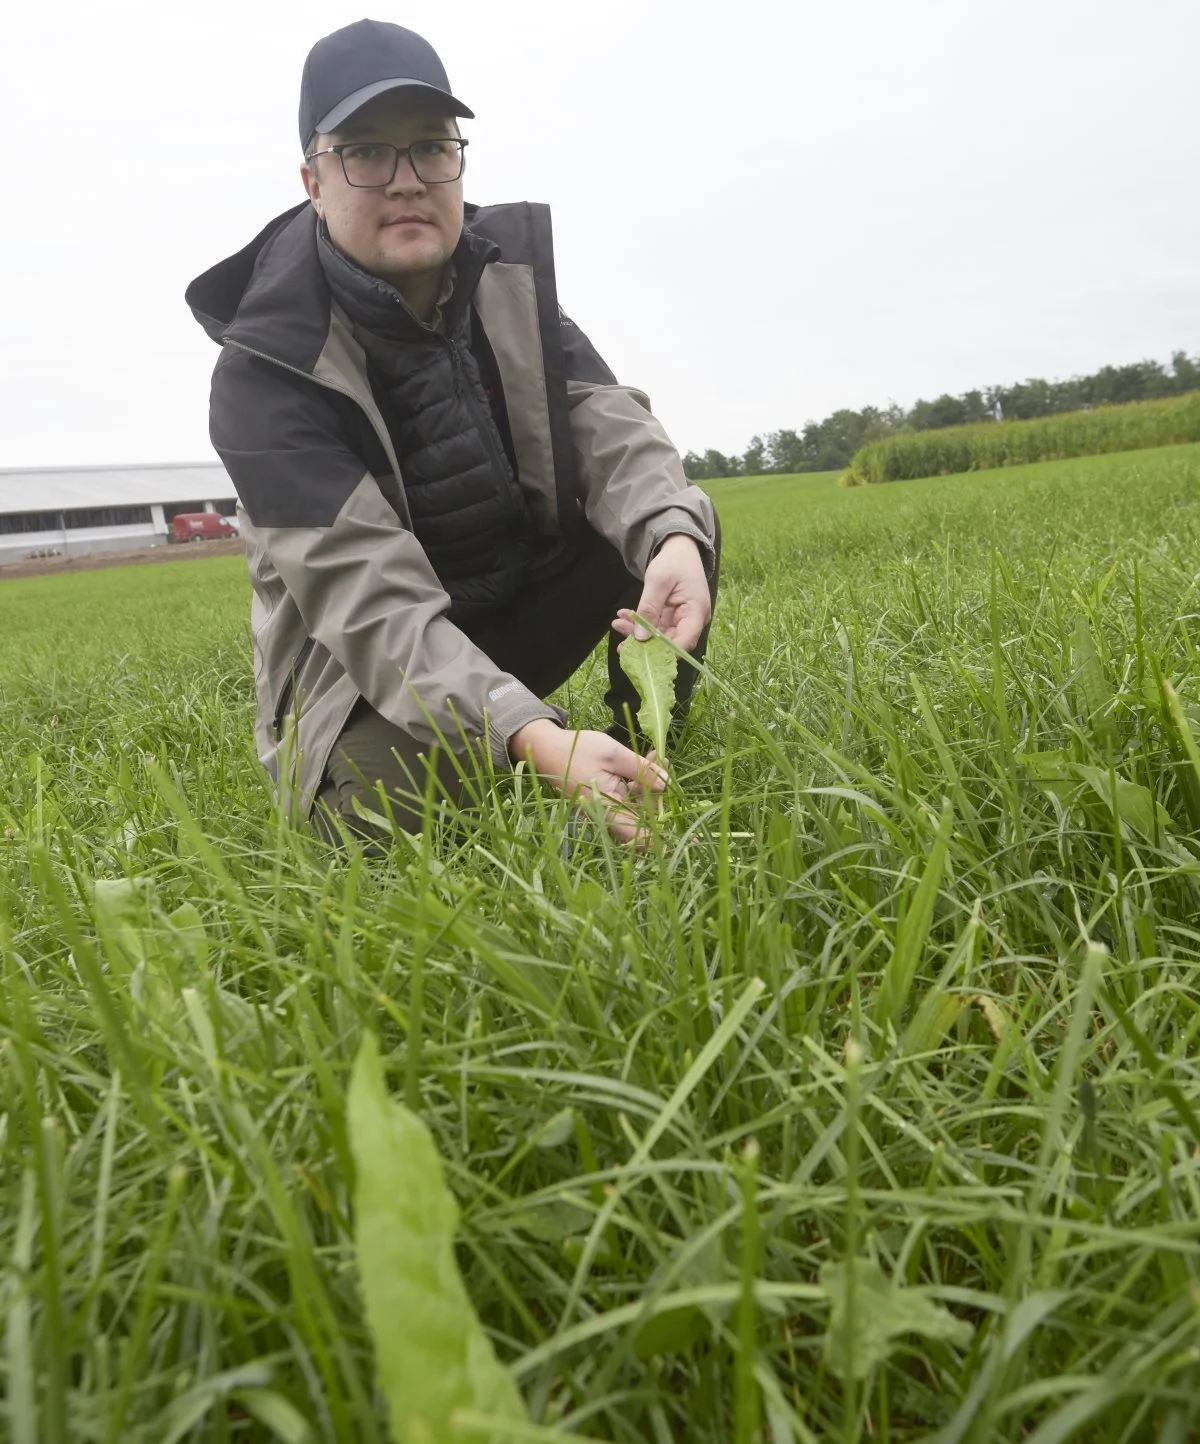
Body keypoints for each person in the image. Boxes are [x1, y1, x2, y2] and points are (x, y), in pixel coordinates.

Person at [186, 19, 720, 845]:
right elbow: (371, 607)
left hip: (501, 610)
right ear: (312, 180)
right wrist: (531, 733)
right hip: (368, 676)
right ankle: (540, 745)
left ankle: (643, 759)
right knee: (380, 823)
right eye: (365, 152)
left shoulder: (505, 281)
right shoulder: (267, 369)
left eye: (432, 147)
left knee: (675, 522)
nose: (406, 180)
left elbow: (614, 432)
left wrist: (675, 538)